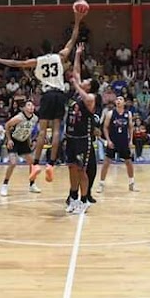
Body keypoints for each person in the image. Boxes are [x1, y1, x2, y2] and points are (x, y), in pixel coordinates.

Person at [0, 8, 87, 183]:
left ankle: (35, 164)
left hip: (47, 95)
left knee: (42, 131)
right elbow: (72, 40)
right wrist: (77, 20)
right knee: (57, 130)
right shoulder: (60, 56)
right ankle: (51, 164)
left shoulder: (38, 61)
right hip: (60, 94)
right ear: (52, 48)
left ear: (41, 49)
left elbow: (17, 63)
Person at [65, 43, 99, 214]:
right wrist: (77, 54)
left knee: (81, 169)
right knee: (71, 167)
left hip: (82, 139)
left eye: (86, 81)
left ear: (90, 86)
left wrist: (76, 85)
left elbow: (85, 95)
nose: (82, 81)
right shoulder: (78, 93)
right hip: (70, 137)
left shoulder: (92, 97)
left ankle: (84, 200)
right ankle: (73, 197)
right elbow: (76, 72)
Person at [97, 96, 139, 193]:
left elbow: (130, 128)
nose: (118, 101)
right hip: (113, 141)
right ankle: (101, 184)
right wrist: (108, 140)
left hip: (124, 141)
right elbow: (105, 128)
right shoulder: (110, 113)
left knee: (129, 163)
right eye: (117, 99)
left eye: (121, 99)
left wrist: (131, 141)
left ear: (124, 103)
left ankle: (132, 183)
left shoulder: (128, 114)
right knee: (106, 162)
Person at [0, 100, 41, 197]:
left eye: (32, 105)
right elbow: (7, 125)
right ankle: (4, 185)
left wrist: (29, 141)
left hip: (24, 141)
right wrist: (9, 139)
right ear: (24, 108)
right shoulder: (19, 117)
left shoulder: (35, 118)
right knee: (13, 163)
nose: (31, 107)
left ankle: (32, 184)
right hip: (14, 140)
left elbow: (28, 130)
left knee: (32, 163)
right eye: (29, 105)